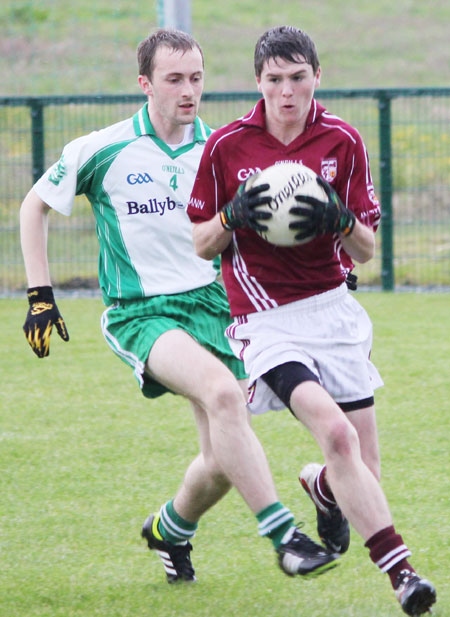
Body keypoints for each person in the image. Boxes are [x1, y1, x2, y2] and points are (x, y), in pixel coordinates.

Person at [20, 28, 340, 585]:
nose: (188, 91)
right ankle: (284, 536)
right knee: (221, 395)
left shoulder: (222, 150)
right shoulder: (103, 149)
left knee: (220, 460)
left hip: (218, 308)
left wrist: (326, 262)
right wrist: (40, 295)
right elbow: (33, 207)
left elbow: (264, 228)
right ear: (145, 84)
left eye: (196, 78)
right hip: (142, 312)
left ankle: (171, 529)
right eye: (174, 79)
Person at [188, 25, 436, 615]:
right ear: (258, 83)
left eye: (298, 78)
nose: (287, 92)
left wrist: (340, 219)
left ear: (316, 77)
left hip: (334, 311)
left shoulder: (343, 141)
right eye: (274, 80)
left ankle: (322, 486)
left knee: (361, 469)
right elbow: (201, 243)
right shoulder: (227, 146)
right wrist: (232, 213)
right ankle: (403, 576)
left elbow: (368, 250)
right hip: (266, 320)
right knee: (337, 434)